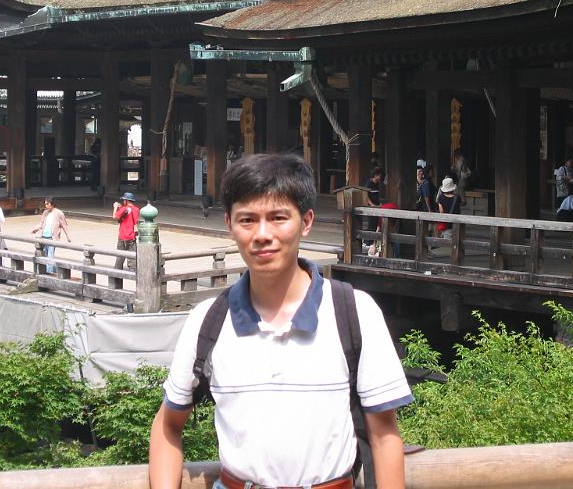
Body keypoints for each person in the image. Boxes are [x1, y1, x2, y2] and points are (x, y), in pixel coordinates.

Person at [149, 153, 412, 489]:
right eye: (247, 220)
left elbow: (384, 434)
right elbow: (168, 424)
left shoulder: (354, 312)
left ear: (306, 221)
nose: (262, 234)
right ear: (229, 224)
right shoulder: (209, 320)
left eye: (278, 218)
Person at [31, 197, 72, 274]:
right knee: (45, 255)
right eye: (45, 204)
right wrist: (35, 229)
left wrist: (68, 237)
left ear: (52, 204)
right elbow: (41, 223)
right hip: (44, 236)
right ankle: (51, 270)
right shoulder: (45, 213)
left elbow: (64, 225)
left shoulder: (59, 213)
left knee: (50, 255)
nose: (46, 205)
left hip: (52, 238)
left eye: (47, 204)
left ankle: (49, 272)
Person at [113, 192, 140, 280]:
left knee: (120, 253)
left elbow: (115, 217)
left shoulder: (123, 209)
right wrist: (121, 207)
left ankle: (118, 269)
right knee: (132, 253)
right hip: (131, 235)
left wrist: (115, 207)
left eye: (124, 200)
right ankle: (133, 269)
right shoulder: (136, 209)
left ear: (126, 200)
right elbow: (131, 216)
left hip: (122, 234)